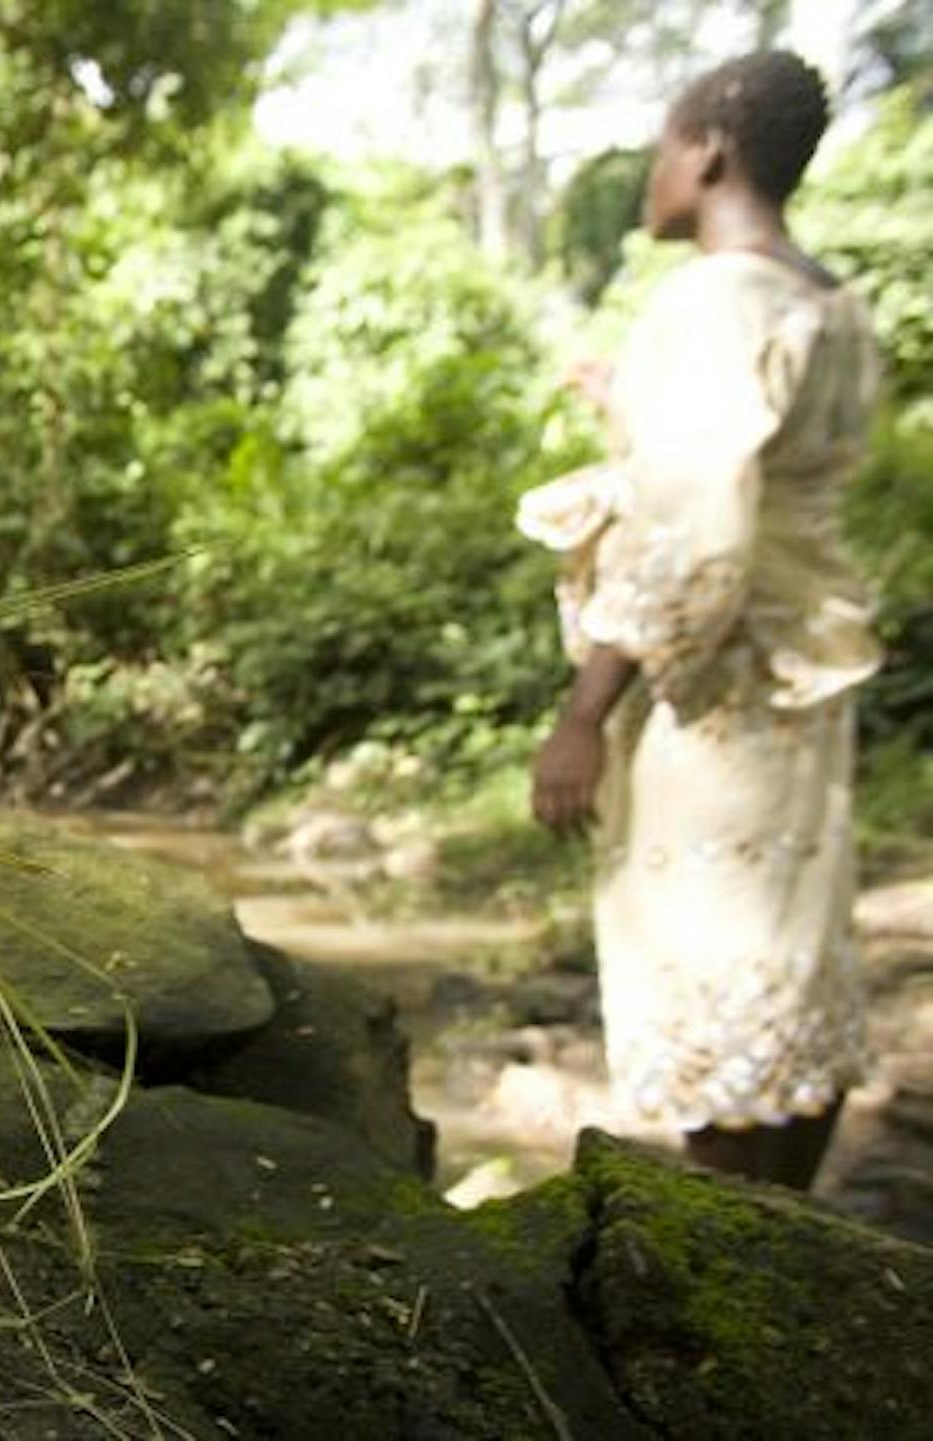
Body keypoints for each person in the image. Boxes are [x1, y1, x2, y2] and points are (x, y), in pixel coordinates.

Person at [518, 51, 884, 1190]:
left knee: (712, 964)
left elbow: (688, 535)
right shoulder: (823, 296)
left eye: (660, 152)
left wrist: (584, 712)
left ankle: (735, 1242)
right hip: (803, 678)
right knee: (788, 958)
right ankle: (793, 1232)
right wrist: (624, 400)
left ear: (710, 150)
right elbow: (760, 465)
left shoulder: (712, 299)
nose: (649, 180)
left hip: (714, 696)